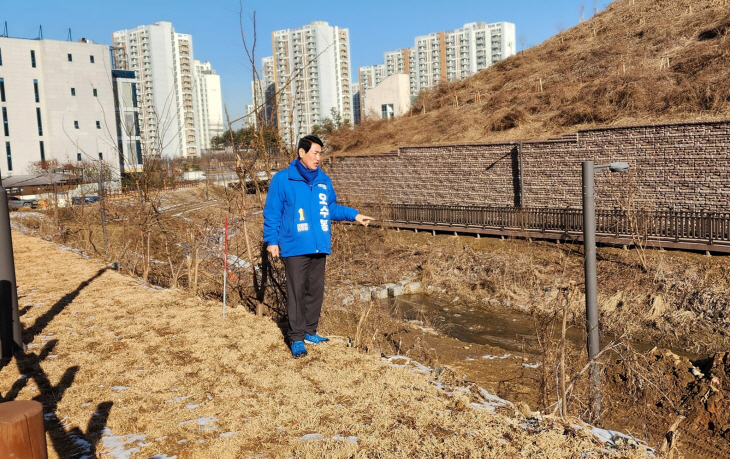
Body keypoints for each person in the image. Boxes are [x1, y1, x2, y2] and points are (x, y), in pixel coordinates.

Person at [263, 135, 374, 358]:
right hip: (295, 245)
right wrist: (272, 241)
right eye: (315, 152)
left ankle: (309, 331)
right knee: (296, 293)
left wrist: (355, 215)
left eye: (320, 153)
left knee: (315, 291)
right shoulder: (283, 179)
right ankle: (296, 338)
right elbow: (273, 212)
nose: (318, 158)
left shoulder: (323, 181)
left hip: (319, 245)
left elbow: (330, 208)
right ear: (301, 153)